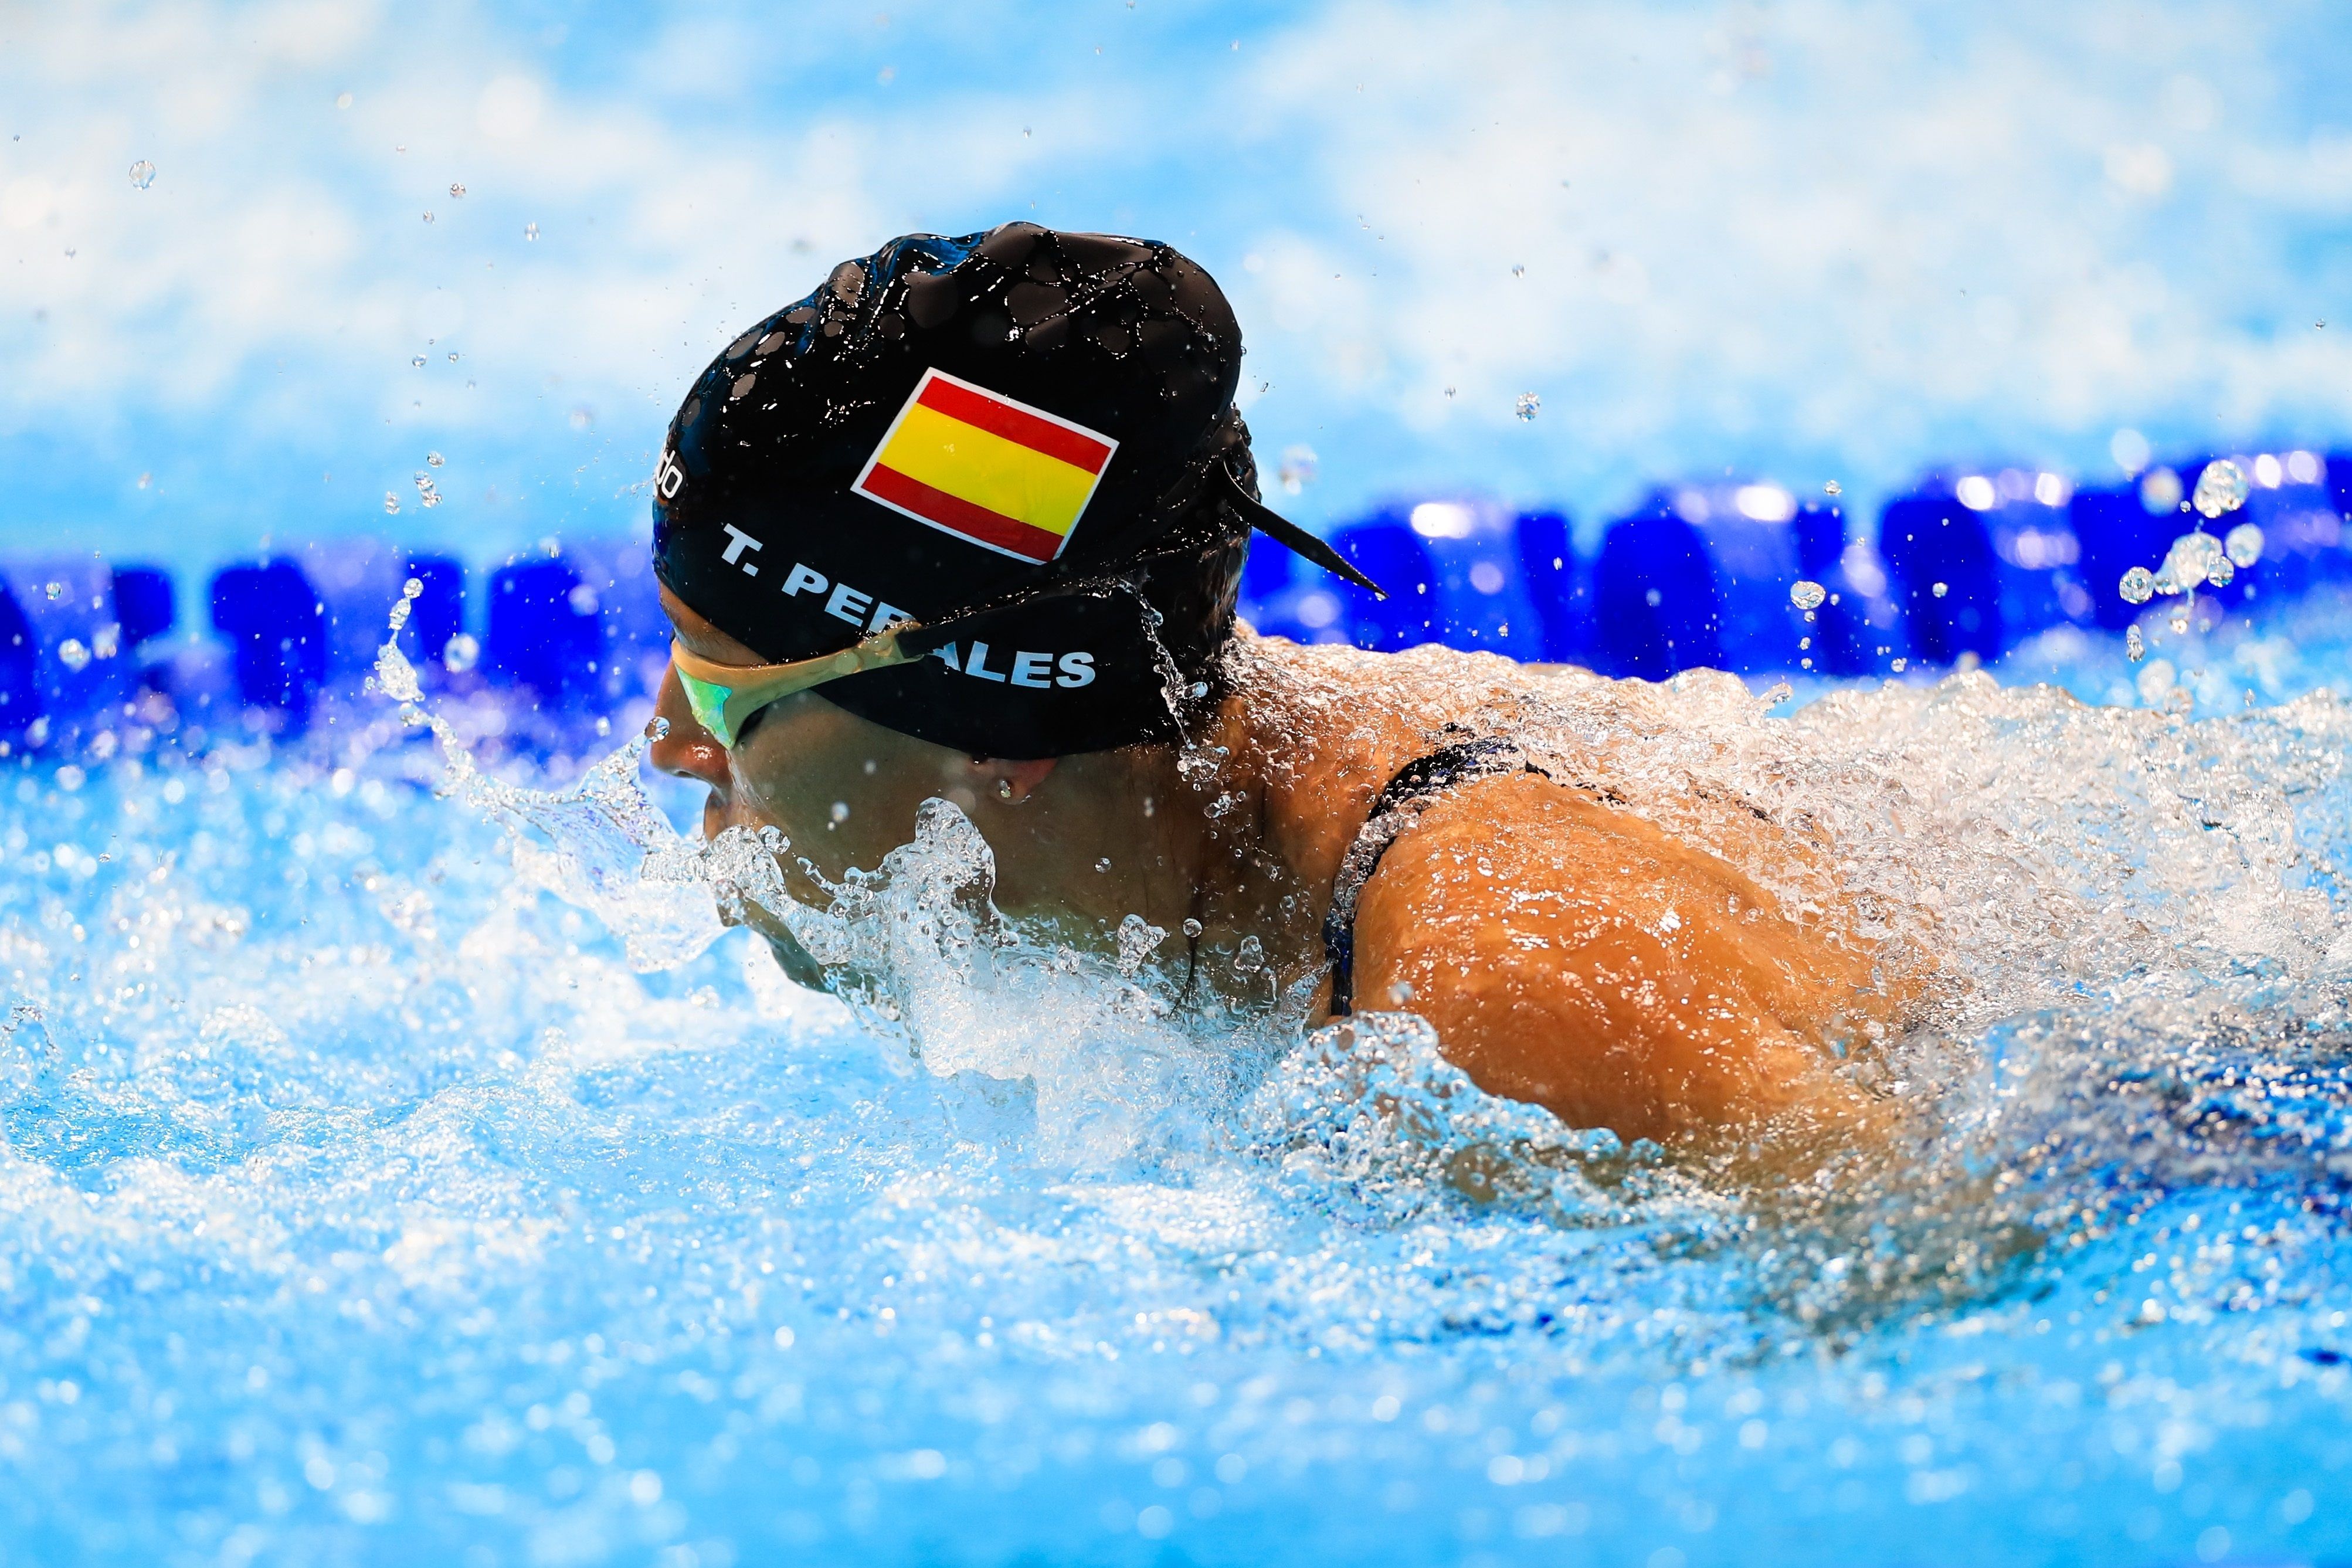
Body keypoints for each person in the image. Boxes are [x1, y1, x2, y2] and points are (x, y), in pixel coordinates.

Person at [647, 223, 1899, 1156]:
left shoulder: (1495, 998)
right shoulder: (1186, 801)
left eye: (723, 694)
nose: (667, 743)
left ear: (993, 732)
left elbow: (1922, 1281)